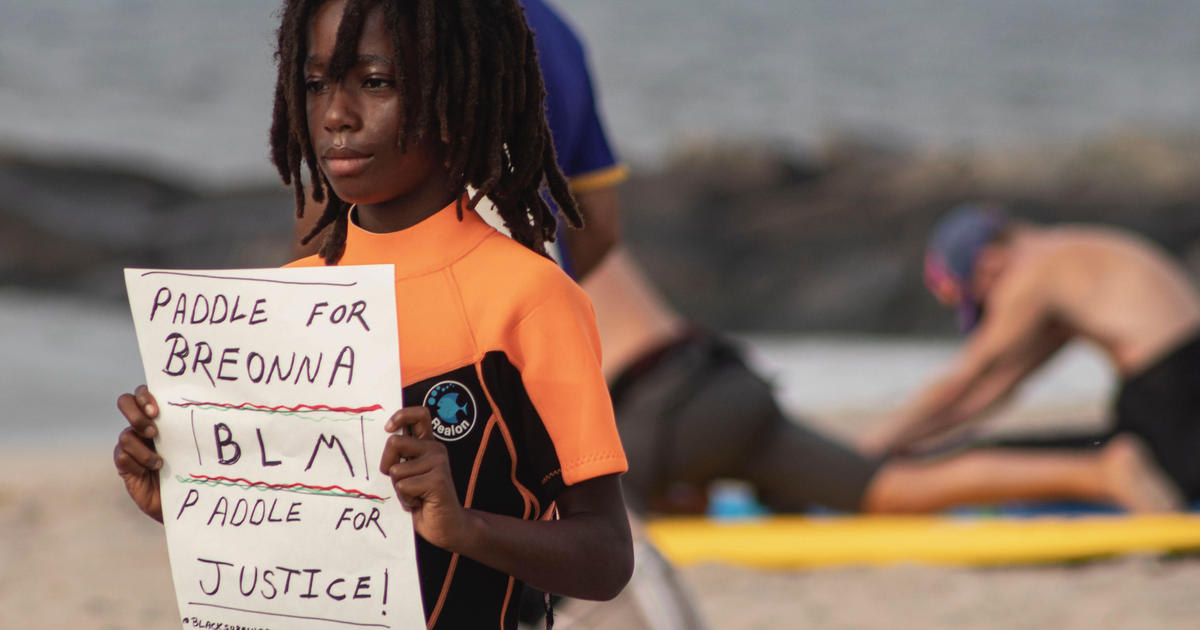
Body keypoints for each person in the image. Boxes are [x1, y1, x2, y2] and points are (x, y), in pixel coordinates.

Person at [113, 2, 634, 629]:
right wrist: (184, 493)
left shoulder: (528, 298)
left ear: (455, 98)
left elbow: (606, 557)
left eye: (376, 82)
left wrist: (465, 528)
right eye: (315, 83)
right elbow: (287, 539)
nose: (335, 114)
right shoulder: (285, 302)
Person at [860, 202, 1196, 511]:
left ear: (990, 263)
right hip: (1181, 398)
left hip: (1170, 400)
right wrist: (904, 442)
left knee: (987, 457)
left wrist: (866, 454)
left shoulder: (1034, 270)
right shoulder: (1078, 253)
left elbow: (966, 383)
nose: (992, 310)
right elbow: (992, 392)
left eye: (982, 302)